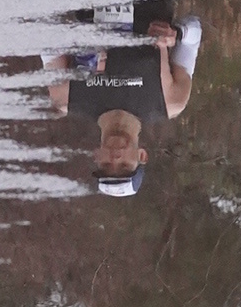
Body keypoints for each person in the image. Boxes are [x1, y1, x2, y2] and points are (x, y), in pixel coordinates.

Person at [46, 11, 201, 194]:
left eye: (106, 165)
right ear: (142, 156)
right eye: (124, 165)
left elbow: (46, 29)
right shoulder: (171, 102)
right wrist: (177, 33)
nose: (115, 158)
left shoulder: (65, 96)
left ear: (96, 156)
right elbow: (194, 29)